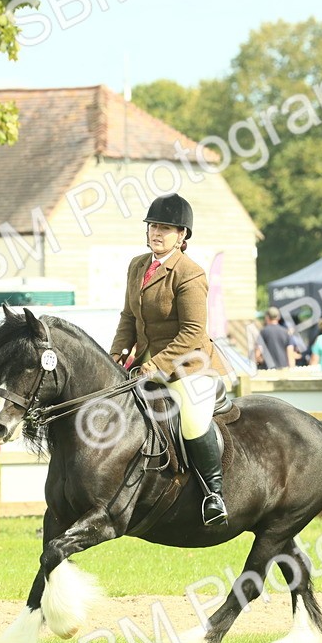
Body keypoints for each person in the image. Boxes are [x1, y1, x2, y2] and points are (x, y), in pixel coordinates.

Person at [109, 193, 230, 525]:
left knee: (192, 420)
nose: (156, 233)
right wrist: (116, 353)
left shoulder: (190, 273)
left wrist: (156, 365)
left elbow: (193, 332)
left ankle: (213, 495)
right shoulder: (137, 266)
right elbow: (128, 317)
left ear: (182, 235)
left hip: (188, 366)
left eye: (165, 228)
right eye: (153, 226)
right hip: (142, 362)